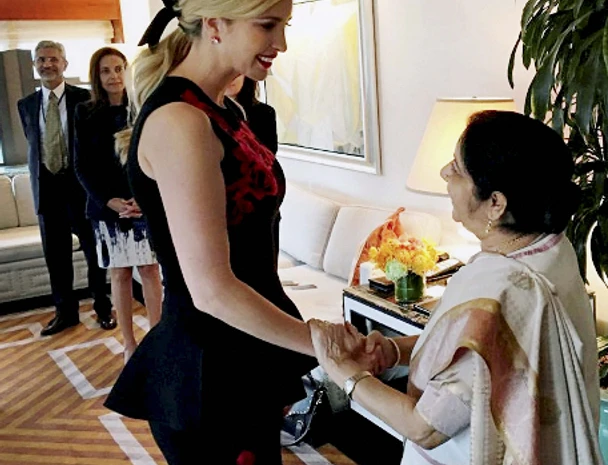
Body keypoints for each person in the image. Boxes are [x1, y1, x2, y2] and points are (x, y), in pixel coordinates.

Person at [103, 1, 380, 463]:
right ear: (215, 25)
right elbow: (211, 290)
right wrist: (319, 341)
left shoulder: (222, 108)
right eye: (268, 26)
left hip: (241, 358)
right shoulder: (180, 121)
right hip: (209, 370)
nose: (282, 44)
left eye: (284, 26)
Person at [309, 111, 604, 465]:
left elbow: (425, 428)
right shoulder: (551, 248)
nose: (444, 172)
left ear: (495, 202)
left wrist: (345, 372)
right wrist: (393, 349)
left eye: (457, 168)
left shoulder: (506, 292)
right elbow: (485, 353)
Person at [17, 40, 115, 336]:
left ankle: (102, 309)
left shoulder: (85, 99)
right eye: (41, 60)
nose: (47, 64)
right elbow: (34, 145)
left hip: (82, 190)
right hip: (47, 192)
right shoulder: (26, 105)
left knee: (94, 253)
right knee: (56, 258)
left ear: (65, 64)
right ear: (35, 65)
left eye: (53, 59)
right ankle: (66, 313)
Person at [74, 47, 163, 363]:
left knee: (150, 271)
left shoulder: (142, 108)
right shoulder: (84, 112)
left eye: (118, 68)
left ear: (126, 71)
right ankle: (129, 345)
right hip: (105, 208)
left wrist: (143, 196)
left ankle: (158, 340)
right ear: (97, 77)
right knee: (120, 275)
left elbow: (154, 156)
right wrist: (108, 201)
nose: (113, 76)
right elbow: (81, 165)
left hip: (142, 204)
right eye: (105, 70)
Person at [224, 75, 278, 153]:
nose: (230, 79)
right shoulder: (206, 112)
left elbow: (269, 156)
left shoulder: (265, 113)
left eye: (237, 74)